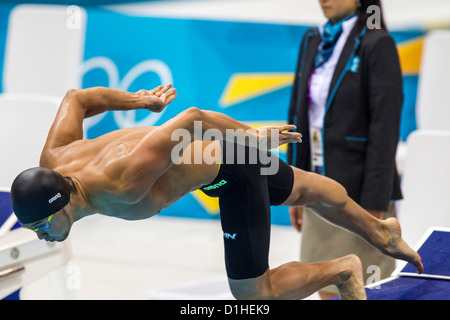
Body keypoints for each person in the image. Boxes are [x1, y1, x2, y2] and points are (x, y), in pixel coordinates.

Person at [10, 85, 422, 300]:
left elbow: (192, 118)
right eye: (33, 229)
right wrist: (142, 100)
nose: (40, 235)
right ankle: (381, 230)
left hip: (234, 169)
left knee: (252, 294)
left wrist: (252, 136)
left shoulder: (123, 179)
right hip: (225, 156)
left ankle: (345, 269)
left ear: (61, 202)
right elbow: (76, 99)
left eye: (42, 224)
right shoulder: (54, 159)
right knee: (309, 190)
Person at [287, 0, 404, 299]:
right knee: (323, 285)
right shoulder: (312, 39)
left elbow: (385, 128)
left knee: (364, 288)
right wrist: (293, 188)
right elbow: (298, 116)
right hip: (315, 185)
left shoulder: (378, 43)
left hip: (359, 192)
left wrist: (375, 200)